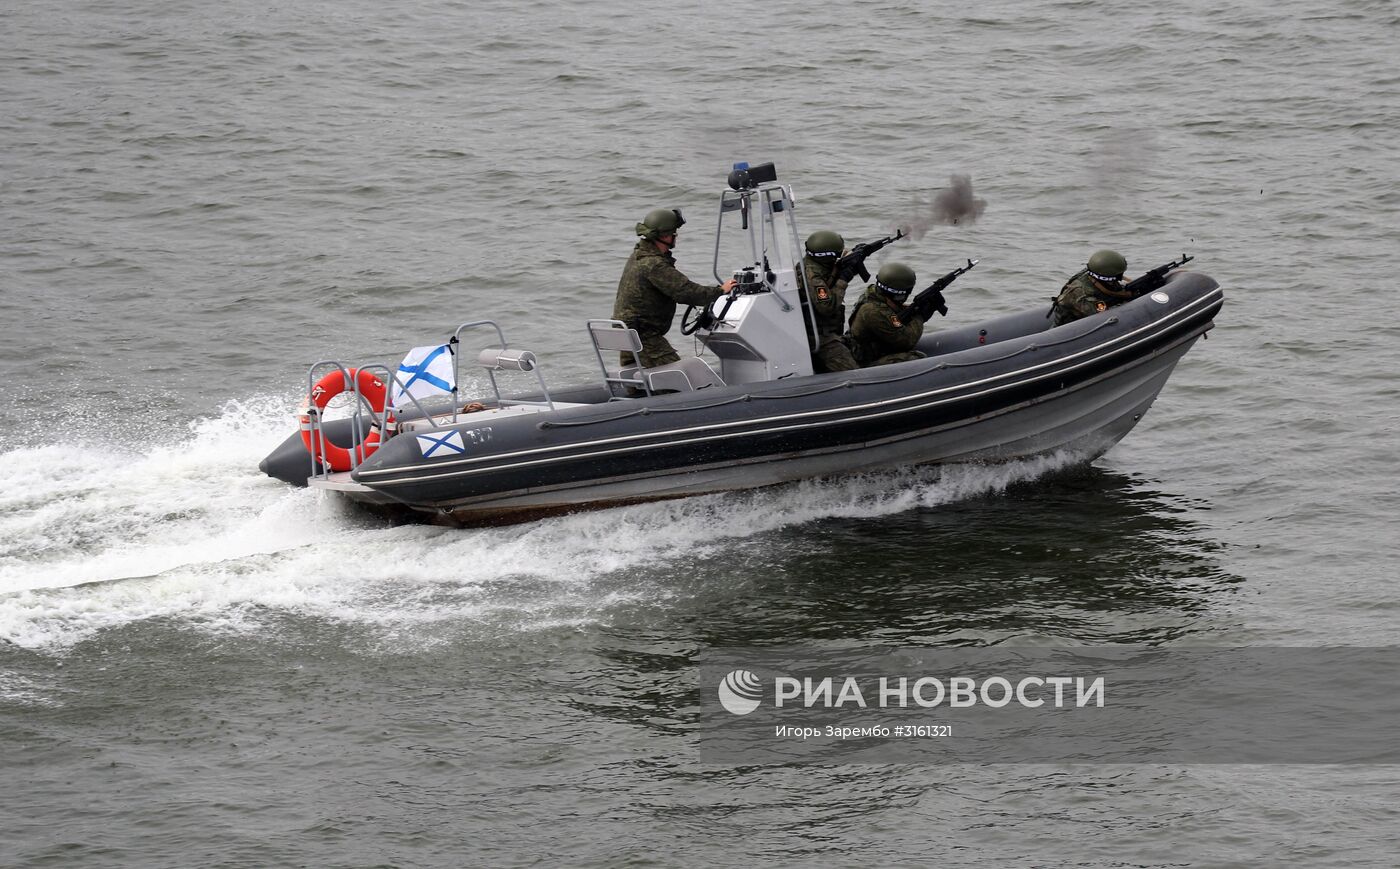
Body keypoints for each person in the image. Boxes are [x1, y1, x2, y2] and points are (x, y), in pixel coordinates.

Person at [612, 208, 737, 368]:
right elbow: (687, 292)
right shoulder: (654, 264)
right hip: (643, 336)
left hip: (627, 334)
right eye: (674, 234)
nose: (675, 237)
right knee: (682, 377)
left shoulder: (638, 255)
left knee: (641, 387)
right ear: (664, 236)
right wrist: (720, 291)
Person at [800, 230, 860, 373]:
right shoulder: (813, 276)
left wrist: (848, 264)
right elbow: (827, 307)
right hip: (821, 338)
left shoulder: (812, 265)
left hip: (822, 332)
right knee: (854, 373)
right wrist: (843, 279)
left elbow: (830, 278)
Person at [847, 262, 928, 367]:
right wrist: (920, 317)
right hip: (864, 363)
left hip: (871, 352)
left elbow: (892, 314)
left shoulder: (873, 296)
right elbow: (907, 341)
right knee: (916, 359)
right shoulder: (874, 311)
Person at [1049, 249, 1134, 326]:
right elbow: (1103, 315)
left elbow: (1116, 292)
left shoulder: (1099, 278)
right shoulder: (1082, 293)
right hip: (1070, 330)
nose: (1119, 280)